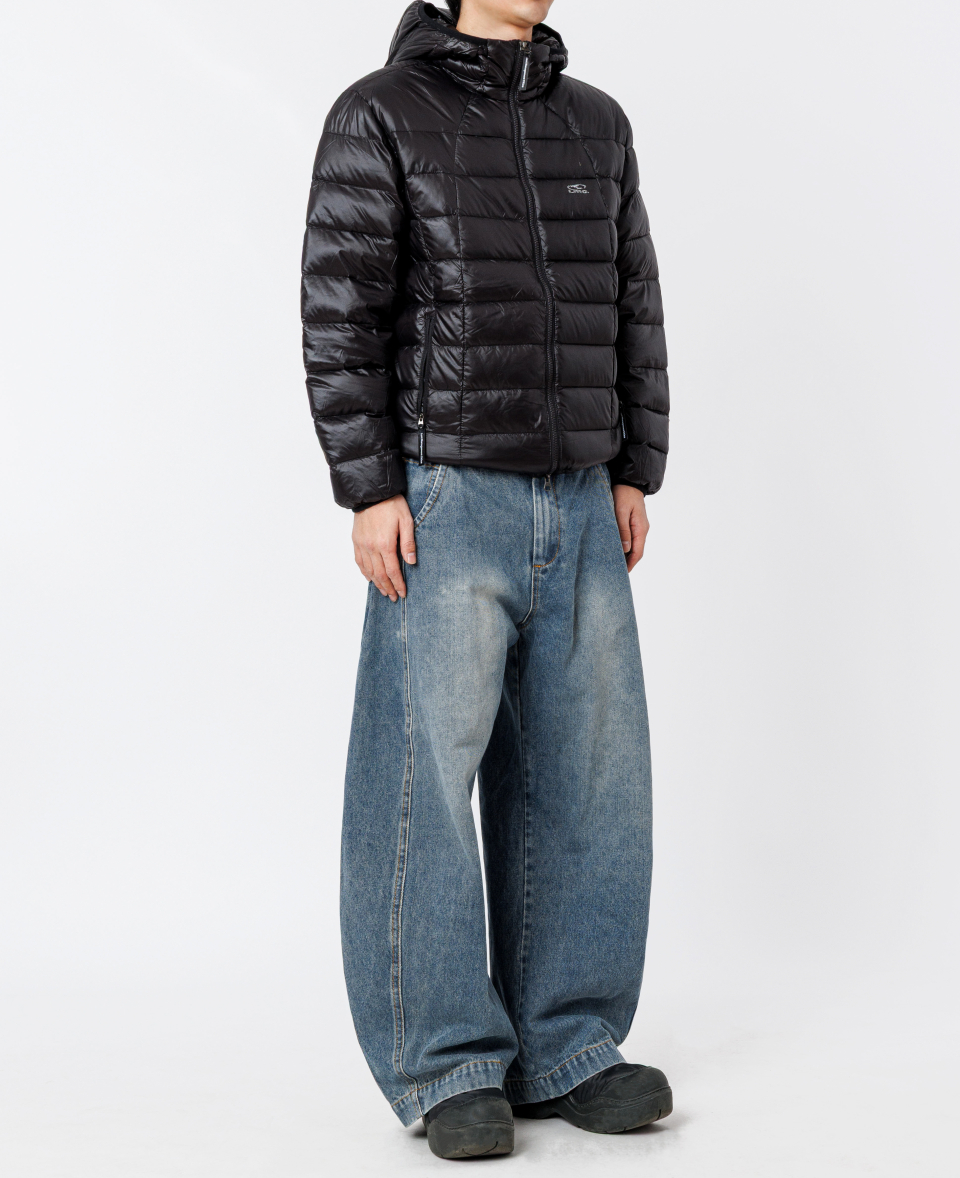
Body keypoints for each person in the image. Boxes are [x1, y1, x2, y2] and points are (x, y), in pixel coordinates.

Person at [301, 0, 671, 1159]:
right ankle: (447, 1061)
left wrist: (635, 463)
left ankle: (568, 1043)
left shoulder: (598, 124)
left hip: (583, 492)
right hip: (446, 496)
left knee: (591, 779)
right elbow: (341, 307)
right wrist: (370, 484)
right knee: (422, 781)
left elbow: (635, 299)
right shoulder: (381, 114)